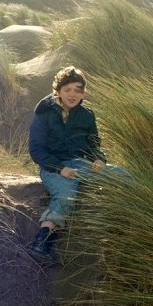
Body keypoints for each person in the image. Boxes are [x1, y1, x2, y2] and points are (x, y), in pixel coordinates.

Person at [27, 66, 121, 263]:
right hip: (54, 167)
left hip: (81, 164)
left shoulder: (87, 115)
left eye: (78, 90)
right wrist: (61, 169)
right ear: (58, 90)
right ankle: (40, 244)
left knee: (123, 176)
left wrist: (98, 159)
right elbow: (37, 150)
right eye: (67, 89)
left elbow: (94, 144)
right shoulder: (44, 113)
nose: (72, 94)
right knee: (65, 197)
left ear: (84, 93)